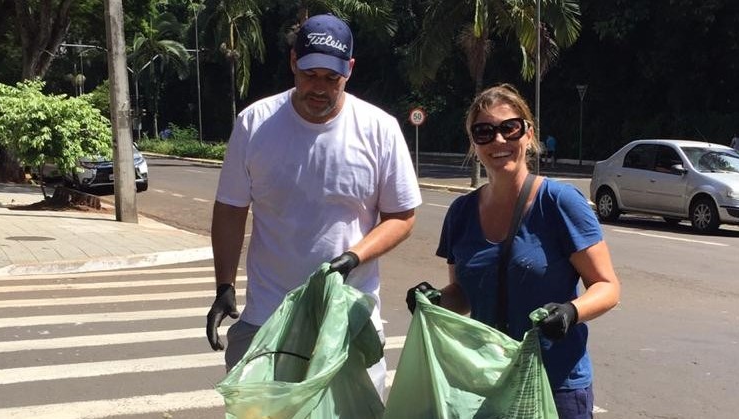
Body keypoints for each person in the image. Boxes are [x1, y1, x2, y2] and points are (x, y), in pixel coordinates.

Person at [205, 13, 422, 399]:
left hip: (347, 318)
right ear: (292, 62)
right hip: (267, 319)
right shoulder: (254, 123)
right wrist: (223, 285)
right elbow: (230, 209)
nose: (319, 88)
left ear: (350, 71)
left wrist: (354, 257)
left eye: (331, 78)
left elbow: (402, 216)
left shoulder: (379, 128)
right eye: (310, 74)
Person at [406, 84, 620, 419]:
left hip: (557, 384)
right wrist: (434, 300)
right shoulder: (461, 212)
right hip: (489, 381)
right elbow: (463, 294)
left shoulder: (560, 203)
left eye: (510, 128)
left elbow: (607, 287)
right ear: (473, 143)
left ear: (529, 134)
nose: (499, 141)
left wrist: (570, 312)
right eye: (484, 132)